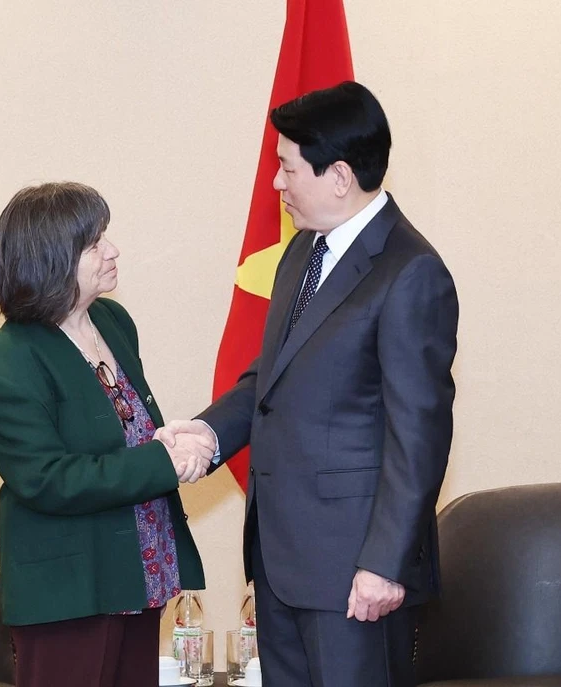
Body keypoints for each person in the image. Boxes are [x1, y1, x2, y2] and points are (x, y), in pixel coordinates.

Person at [161, 81, 459, 687]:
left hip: (355, 575)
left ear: (340, 176)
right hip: (281, 561)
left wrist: (384, 565)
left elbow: (418, 436)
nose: (277, 183)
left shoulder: (410, 273)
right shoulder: (302, 252)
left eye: (286, 167)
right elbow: (270, 379)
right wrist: (208, 433)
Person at [0, 182, 213, 687]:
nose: (113, 250)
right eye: (94, 243)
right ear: (52, 259)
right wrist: (161, 462)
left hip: (139, 570)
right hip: (70, 590)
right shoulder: (9, 365)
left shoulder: (112, 320)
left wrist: (175, 443)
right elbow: (49, 479)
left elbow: (125, 430)